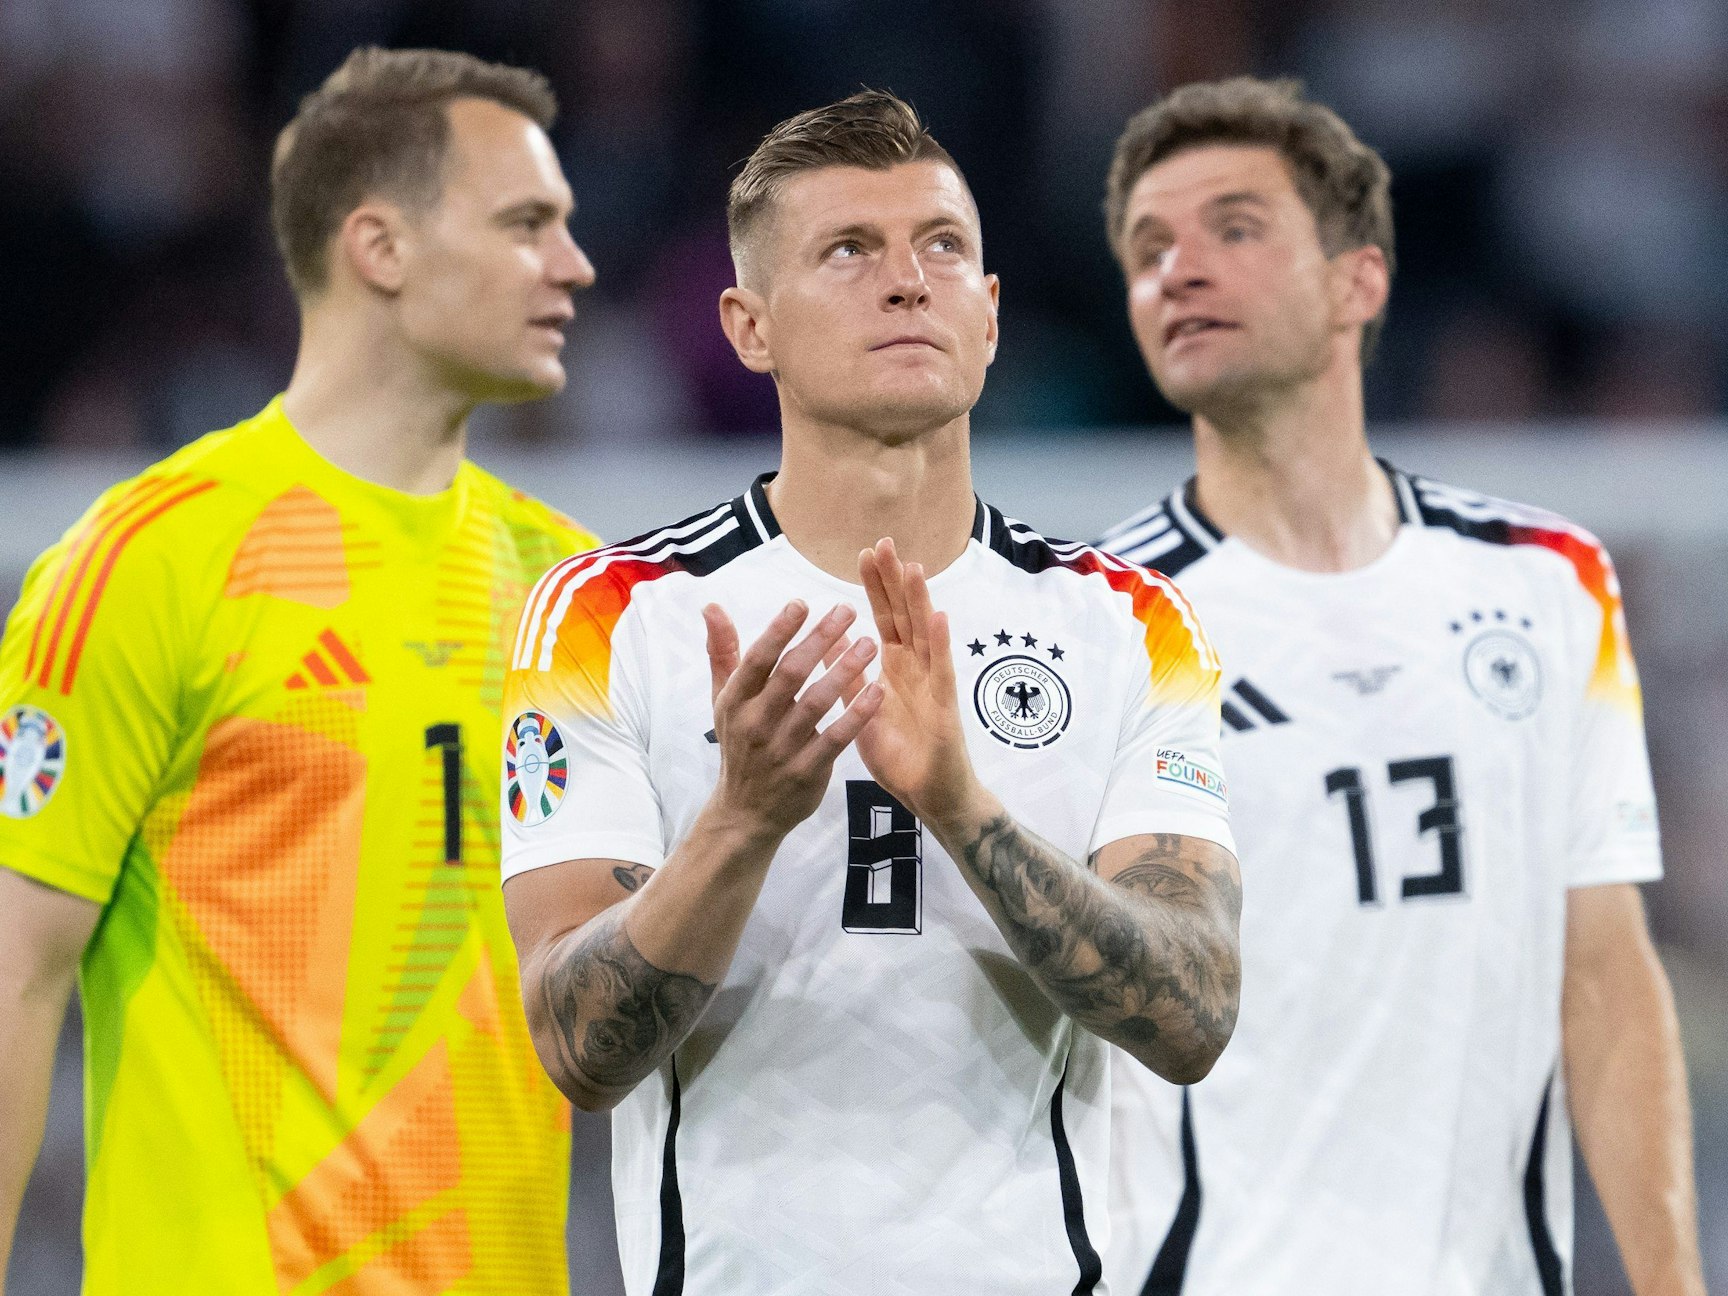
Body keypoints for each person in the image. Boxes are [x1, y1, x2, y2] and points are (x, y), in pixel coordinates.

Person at [499, 90, 1242, 1296]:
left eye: (942, 247)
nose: (908, 282)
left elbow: (1193, 1012)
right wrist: (743, 819)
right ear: (749, 327)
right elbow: (578, 1047)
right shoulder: (610, 614)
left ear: (991, 316)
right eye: (849, 251)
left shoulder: (1128, 621)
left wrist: (964, 808)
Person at [0, 47, 599, 1293]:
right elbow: (16, 973)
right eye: (526, 224)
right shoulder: (150, 562)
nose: (574, 266)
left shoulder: (570, 593)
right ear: (379, 248)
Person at [1095, 77, 1704, 1296]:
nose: (1180, 269)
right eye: (1149, 247)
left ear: (1357, 281)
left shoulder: (1549, 584)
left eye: (1235, 227)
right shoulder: (1101, 623)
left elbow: (1606, 978)